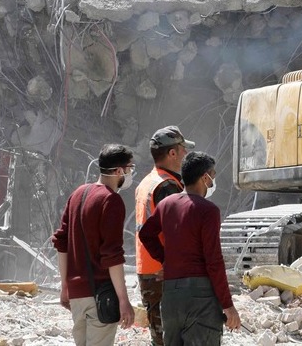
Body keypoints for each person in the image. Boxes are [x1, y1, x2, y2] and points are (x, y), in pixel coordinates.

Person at [139, 152, 241, 344]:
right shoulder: (208, 211)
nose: (213, 182)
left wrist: (165, 260)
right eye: (213, 176)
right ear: (205, 177)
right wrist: (228, 306)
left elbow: (146, 234)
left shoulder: (166, 205)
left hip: (171, 296)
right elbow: (214, 261)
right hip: (200, 299)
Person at [53, 144, 136, 346]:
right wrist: (123, 300)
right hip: (100, 297)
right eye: (129, 168)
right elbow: (112, 255)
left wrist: (65, 286)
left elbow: (61, 243)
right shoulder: (111, 200)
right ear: (119, 171)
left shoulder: (78, 194)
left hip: (77, 295)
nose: (130, 173)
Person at [136, 127, 196, 346]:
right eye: (183, 150)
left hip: (149, 269)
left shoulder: (147, 182)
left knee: (160, 336)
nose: (185, 155)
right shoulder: (168, 186)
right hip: (166, 273)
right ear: (172, 153)